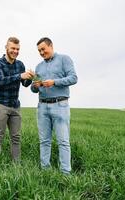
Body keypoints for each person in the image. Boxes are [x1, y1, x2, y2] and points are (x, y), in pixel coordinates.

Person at [31, 37, 77, 174]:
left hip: (60, 105)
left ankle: (65, 173)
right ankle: (45, 170)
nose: (41, 52)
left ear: (51, 46)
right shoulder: (38, 66)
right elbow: (34, 90)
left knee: (63, 141)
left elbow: (74, 78)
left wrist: (54, 82)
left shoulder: (64, 59)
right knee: (44, 141)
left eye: (43, 49)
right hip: (42, 106)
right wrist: (35, 85)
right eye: (39, 51)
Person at [0, 37, 34, 161]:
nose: (15, 51)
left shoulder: (20, 64)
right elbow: (0, 81)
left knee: (16, 137)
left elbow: (25, 83)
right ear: (6, 48)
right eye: (13, 48)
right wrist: (20, 75)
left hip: (15, 106)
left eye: (17, 49)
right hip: (1, 104)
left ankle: (17, 166)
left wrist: (30, 77)